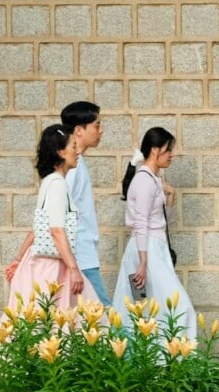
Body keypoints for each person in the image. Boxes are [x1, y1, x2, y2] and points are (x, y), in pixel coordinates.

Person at [111, 126, 196, 339]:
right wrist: (142, 262)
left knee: (152, 310)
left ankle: (160, 364)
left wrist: (170, 196)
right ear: (155, 150)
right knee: (178, 307)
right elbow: (141, 224)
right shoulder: (143, 182)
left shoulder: (153, 180)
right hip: (146, 250)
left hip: (154, 248)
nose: (171, 155)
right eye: (168, 150)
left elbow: (163, 221)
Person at [3, 124, 86, 310]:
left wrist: (18, 258)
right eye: (73, 146)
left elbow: (38, 229)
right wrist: (73, 269)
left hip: (38, 263)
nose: (78, 151)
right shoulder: (58, 184)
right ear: (61, 152)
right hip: (52, 268)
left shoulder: (48, 182)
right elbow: (56, 230)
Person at [60, 101, 111, 306]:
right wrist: (73, 264)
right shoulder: (73, 167)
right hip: (80, 255)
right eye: (97, 126)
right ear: (79, 130)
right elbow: (60, 213)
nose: (101, 131)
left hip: (82, 254)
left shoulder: (78, 164)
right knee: (107, 315)